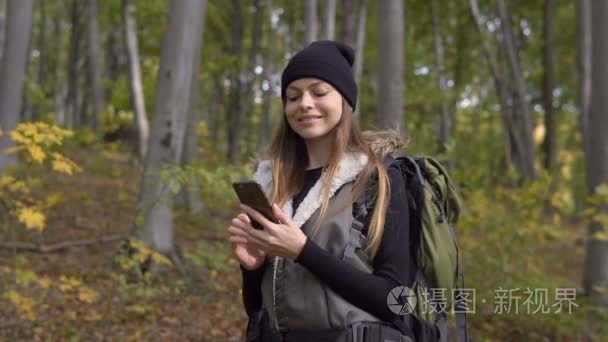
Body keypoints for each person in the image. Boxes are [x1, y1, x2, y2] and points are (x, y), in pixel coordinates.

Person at [227, 40, 421, 342]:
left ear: (345, 100)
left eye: (319, 92)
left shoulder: (379, 178)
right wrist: (252, 268)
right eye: (293, 96)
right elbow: (256, 308)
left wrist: (303, 251)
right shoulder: (273, 185)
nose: (304, 103)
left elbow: (394, 300)